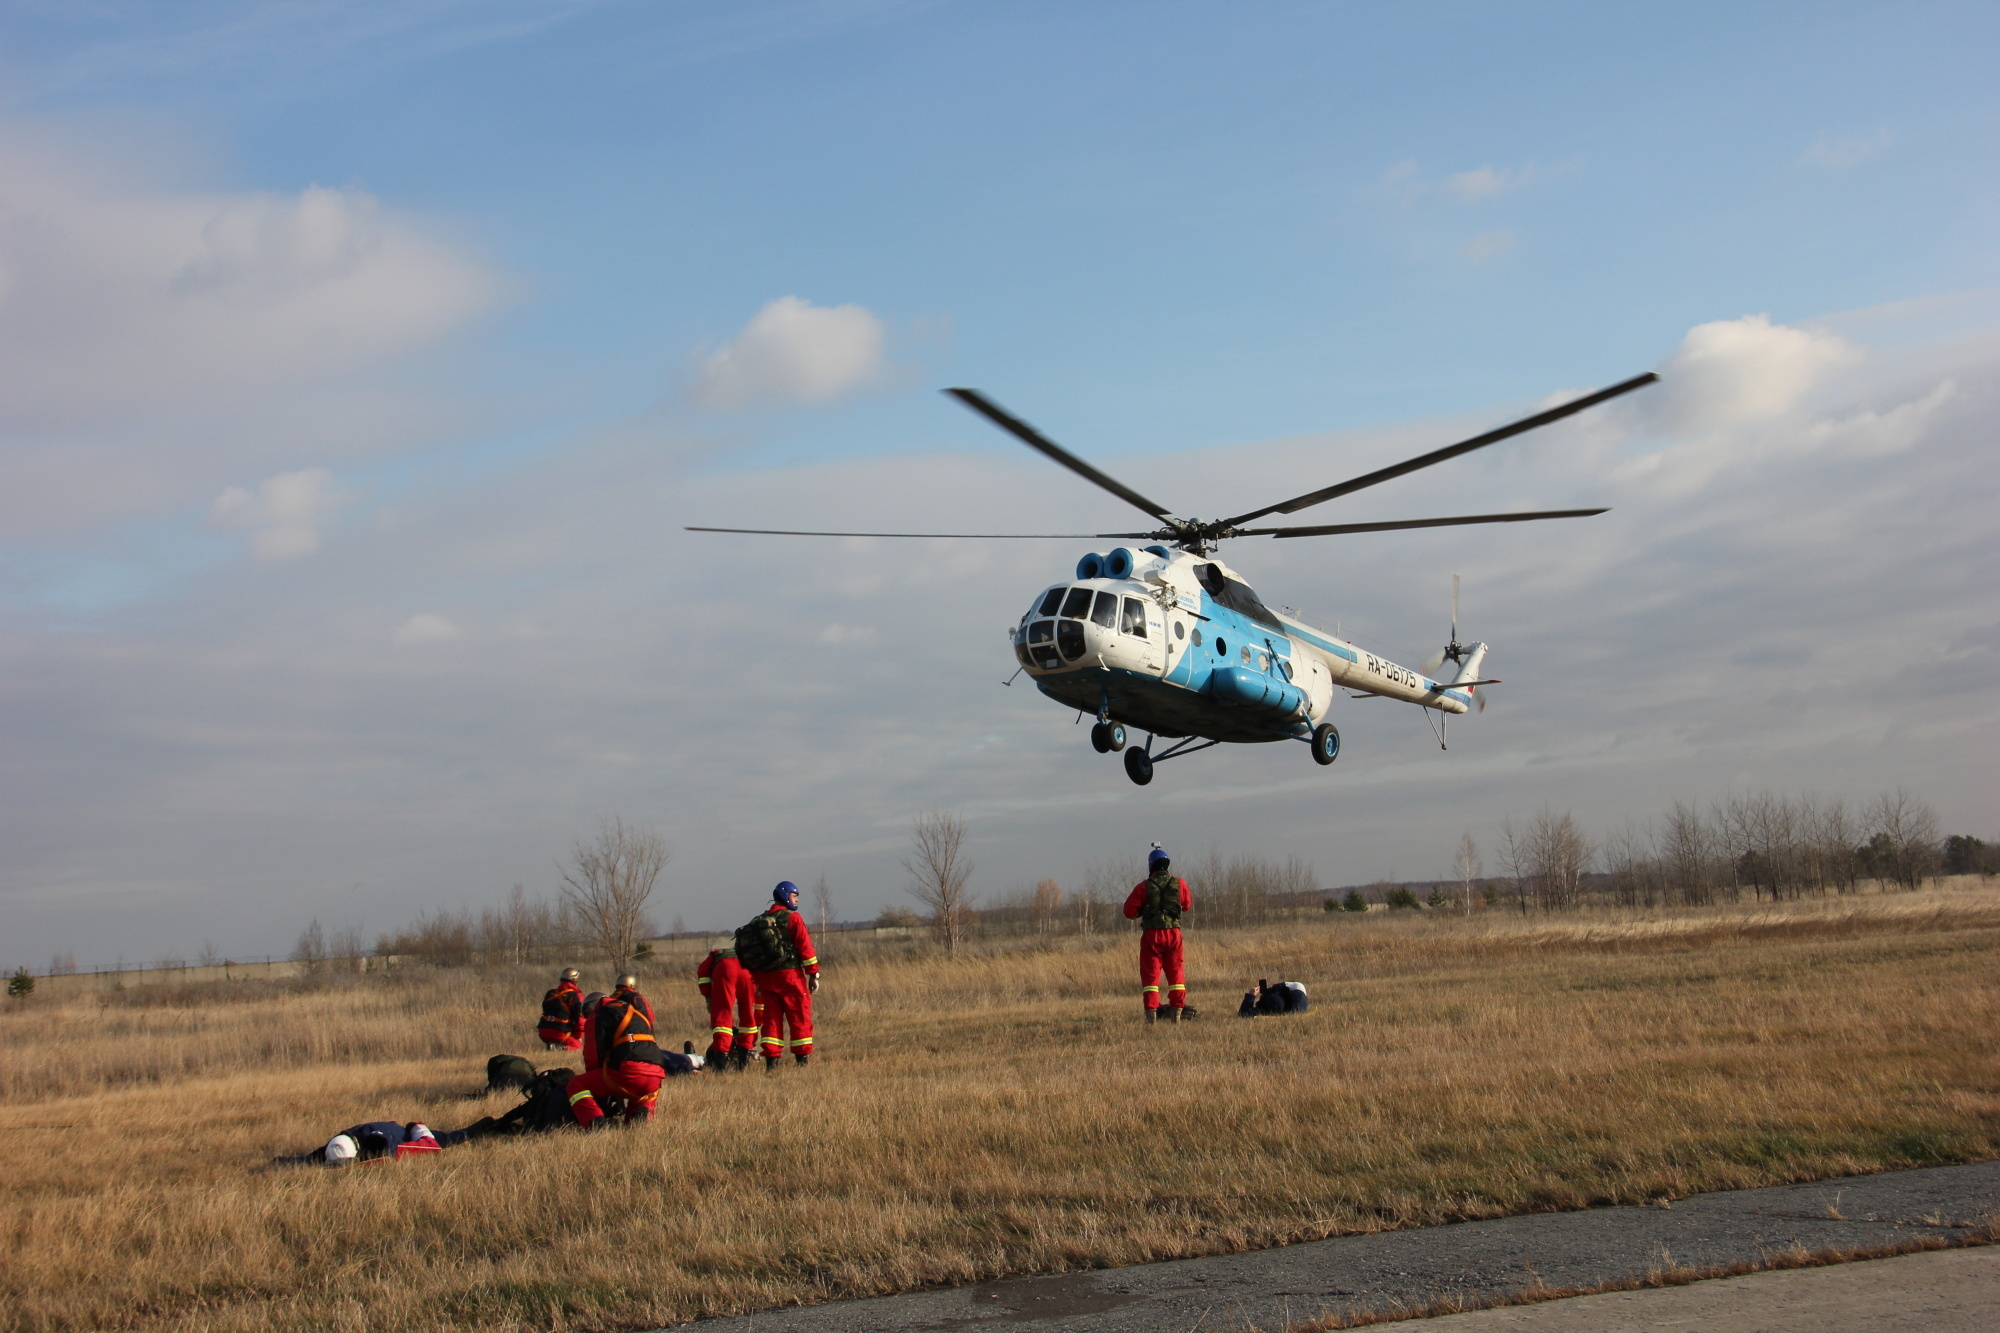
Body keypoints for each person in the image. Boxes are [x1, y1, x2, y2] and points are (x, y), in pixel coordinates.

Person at [565, 975, 669, 1128]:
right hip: (656, 1076)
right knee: (640, 1095)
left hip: (628, 1073)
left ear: (590, 1007)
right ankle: (641, 1114)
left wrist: (598, 1081)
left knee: (575, 1085)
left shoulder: (599, 1014)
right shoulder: (636, 1013)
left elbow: (592, 1056)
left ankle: (596, 1123)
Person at [739, 881, 820, 1069]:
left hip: (766, 978)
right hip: (790, 977)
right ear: (785, 896)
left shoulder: (760, 921)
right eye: (794, 895)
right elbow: (805, 947)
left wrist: (757, 981)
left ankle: (771, 1062)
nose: (797, 899)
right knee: (799, 1016)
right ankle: (801, 1061)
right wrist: (813, 974)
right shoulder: (793, 918)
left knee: (771, 1019)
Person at [1123, 845, 1196, 1022]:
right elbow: (1186, 906)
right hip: (1174, 935)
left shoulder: (1143, 887)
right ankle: (1177, 1016)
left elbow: (1129, 912)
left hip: (1152, 936)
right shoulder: (1180, 883)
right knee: (1176, 974)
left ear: (1151, 866)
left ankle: (1151, 1018)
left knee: (1150, 977)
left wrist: (1144, 911)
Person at [697, 943, 758, 1071]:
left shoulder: (716, 955)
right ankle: (744, 1062)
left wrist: (709, 996)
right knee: (748, 1015)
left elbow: (702, 971)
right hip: (748, 971)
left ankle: (721, 1063)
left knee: (722, 1016)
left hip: (725, 969)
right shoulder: (748, 954)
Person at [538, 968, 585, 1050]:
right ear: (575, 980)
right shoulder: (576, 996)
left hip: (543, 1031)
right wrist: (578, 1036)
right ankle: (557, 1047)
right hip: (559, 1033)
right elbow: (580, 1019)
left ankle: (552, 1046)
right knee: (578, 1048)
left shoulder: (550, 993)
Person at [1236, 978, 1310, 1017]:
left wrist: (1251, 995)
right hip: (1290, 997)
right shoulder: (1296, 1009)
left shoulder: (1264, 1009)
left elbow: (1243, 1014)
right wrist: (1272, 989)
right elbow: (1298, 985)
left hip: (1285, 997)